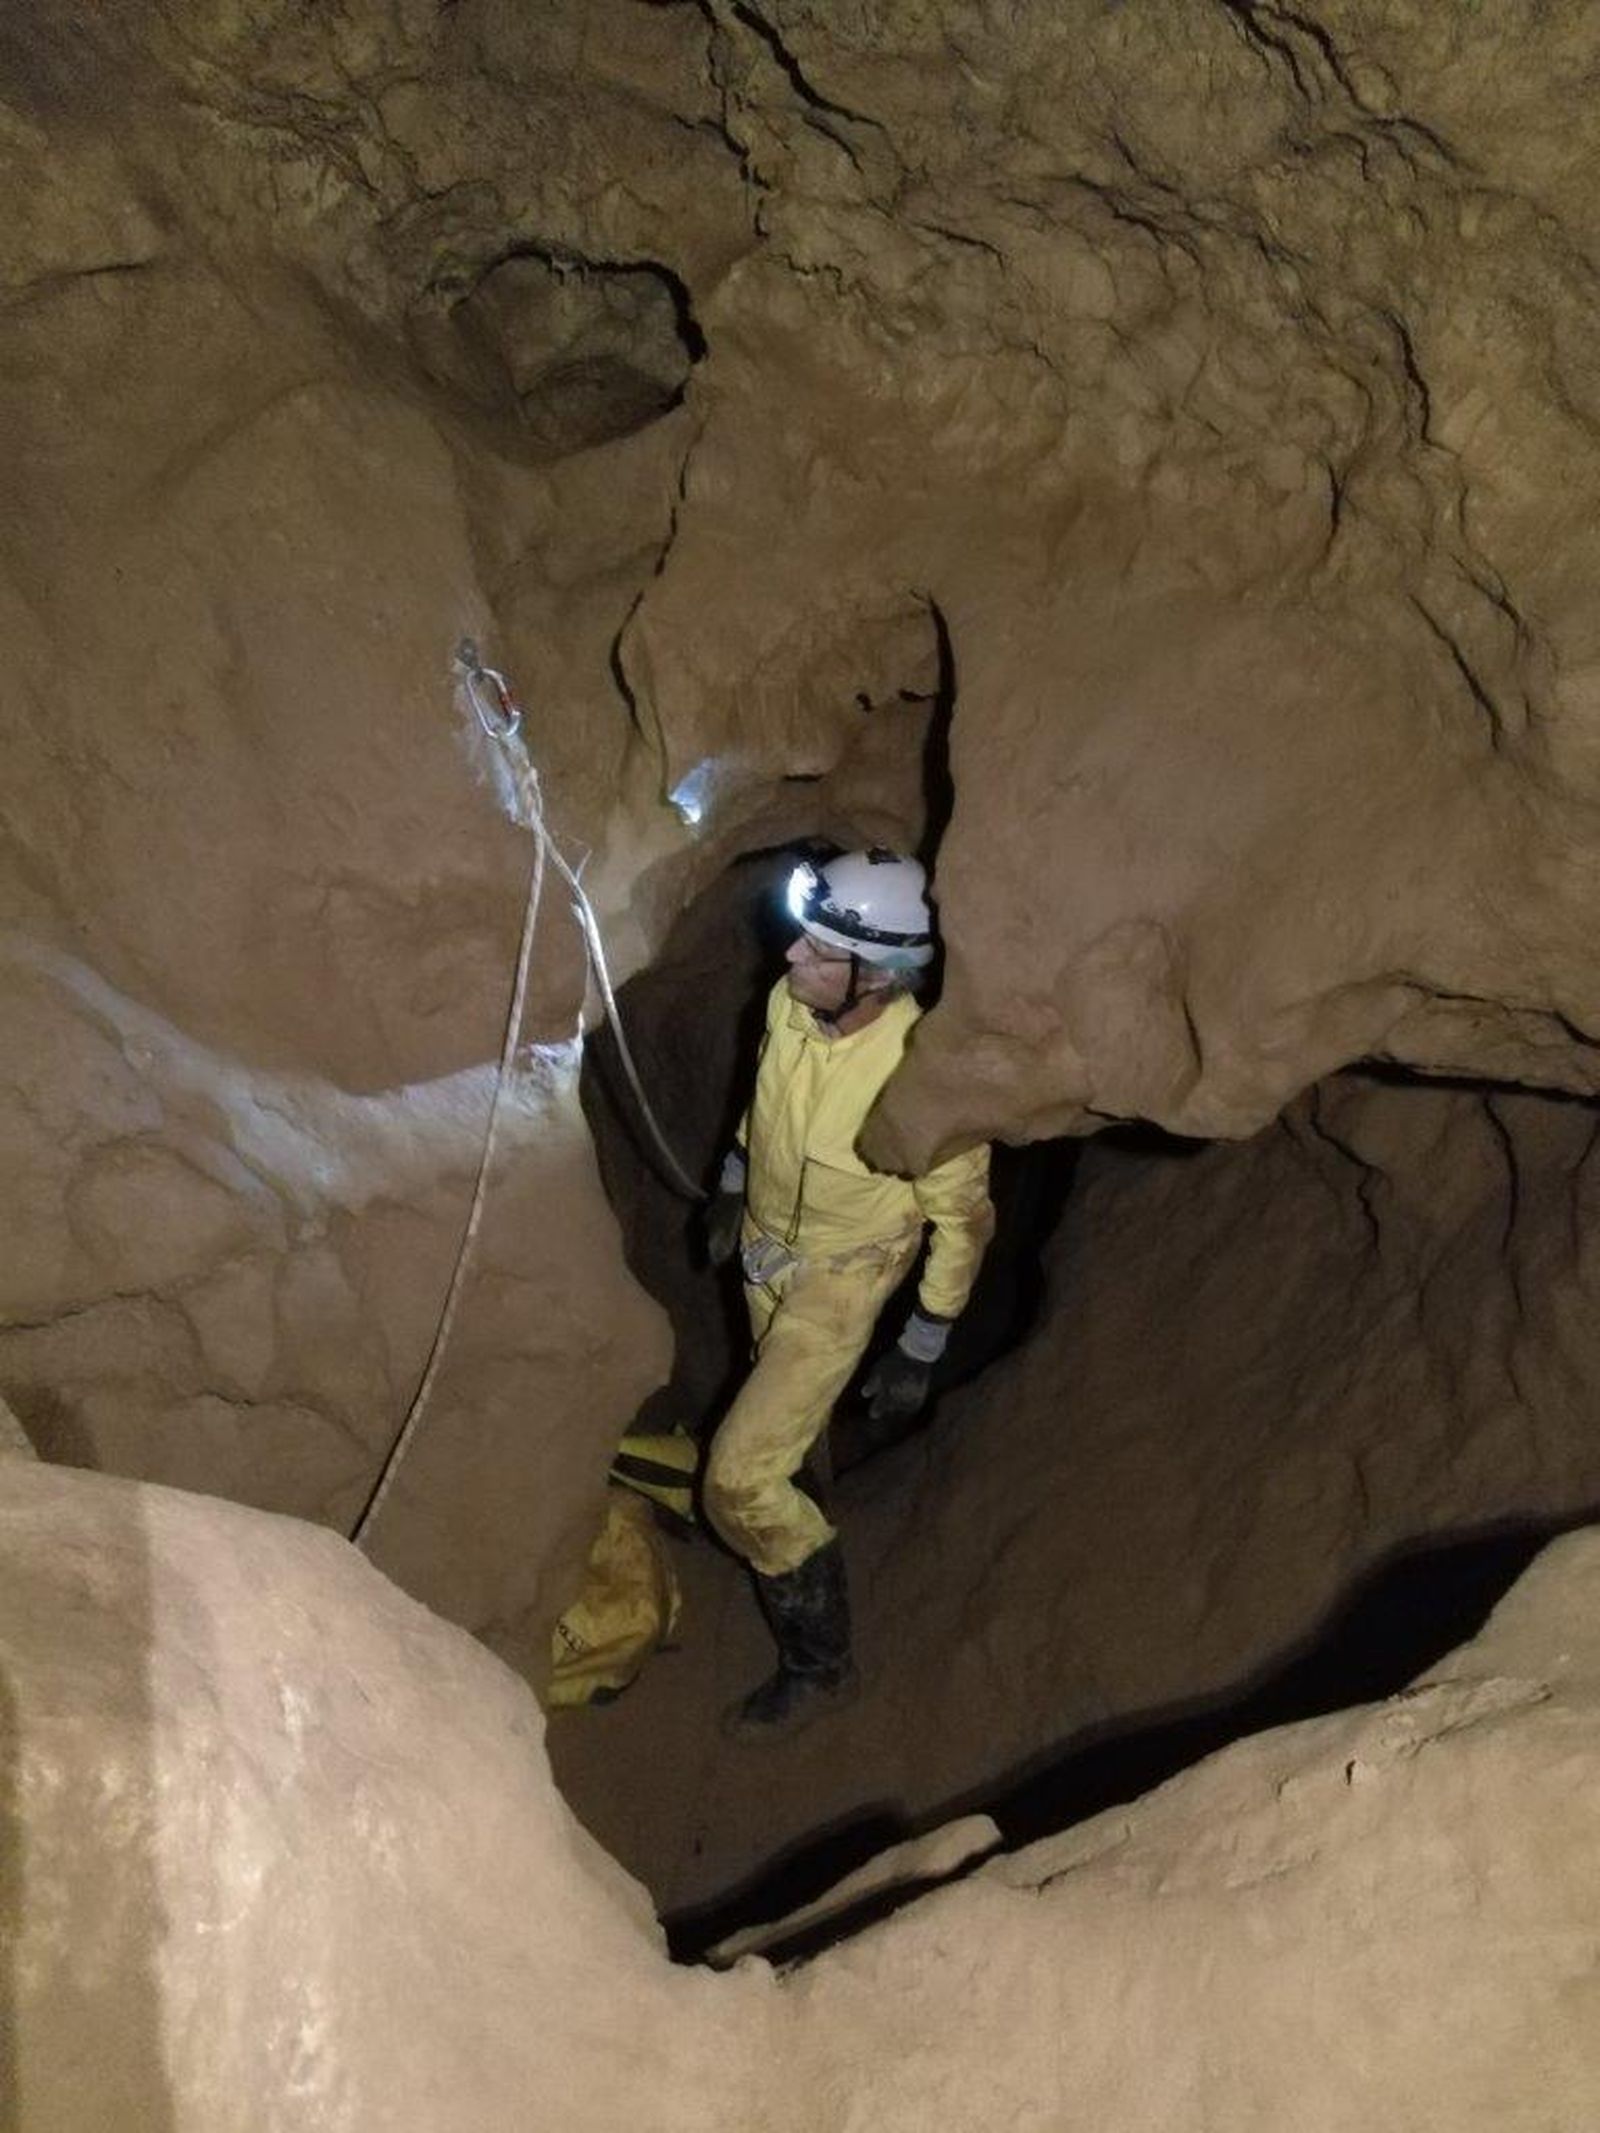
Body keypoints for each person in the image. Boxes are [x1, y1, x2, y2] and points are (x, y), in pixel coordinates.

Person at [702, 848, 994, 1741]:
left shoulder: (920, 1073)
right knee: (787, 1433)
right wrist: (731, 1178)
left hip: (842, 1276)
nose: (790, 960)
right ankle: (808, 1497)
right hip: (767, 1249)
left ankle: (819, 1664)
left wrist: (922, 1344)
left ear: (877, 975)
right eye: (802, 940)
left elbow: (965, 1220)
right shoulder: (790, 1007)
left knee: (740, 1481)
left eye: (819, 953)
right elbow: (762, 1102)